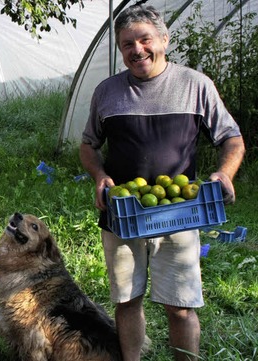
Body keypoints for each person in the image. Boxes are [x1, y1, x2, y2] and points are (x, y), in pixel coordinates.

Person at [79, 5, 245, 361]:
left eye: (144, 39)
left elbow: (231, 137)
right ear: (120, 50)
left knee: (180, 306)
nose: (137, 50)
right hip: (122, 214)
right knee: (127, 300)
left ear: (164, 40)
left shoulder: (195, 85)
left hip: (179, 214)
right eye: (127, 44)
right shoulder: (107, 92)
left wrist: (224, 174)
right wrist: (100, 176)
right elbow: (89, 144)